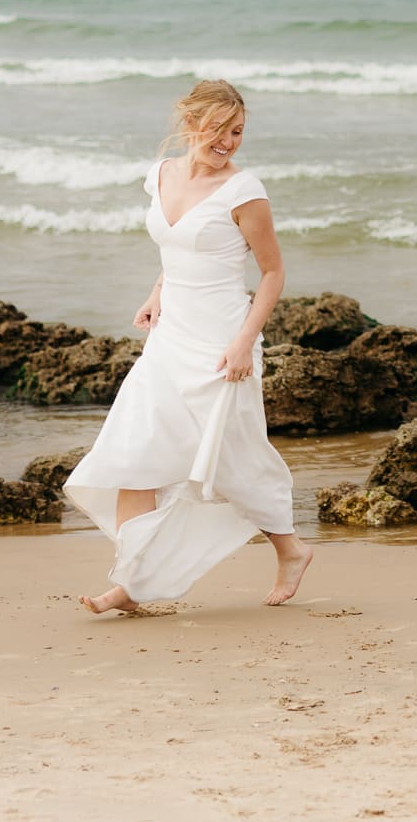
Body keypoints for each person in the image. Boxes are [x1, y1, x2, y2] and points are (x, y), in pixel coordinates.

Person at [66, 79, 311, 614]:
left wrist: (245, 341)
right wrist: (156, 293)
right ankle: (131, 584)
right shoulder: (160, 176)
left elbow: (272, 273)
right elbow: (177, 248)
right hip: (168, 337)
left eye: (238, 131)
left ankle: (290, 549)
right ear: (190, 123)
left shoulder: (245, 191)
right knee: (134, 455)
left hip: (223, 344)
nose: (227, 141)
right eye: (218, 128)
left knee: (233, 462)